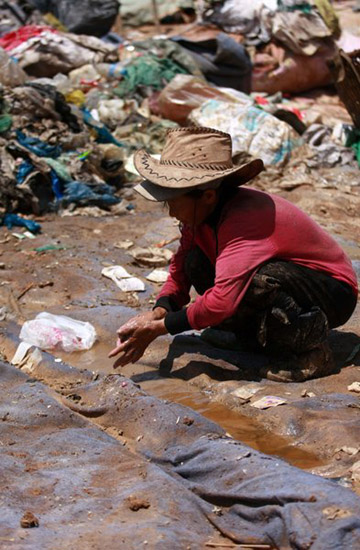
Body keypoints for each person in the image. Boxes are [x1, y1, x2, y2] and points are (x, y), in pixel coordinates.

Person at [109, 127, 358, 382]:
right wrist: (158, 312)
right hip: (292, 279)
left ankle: (312, 353)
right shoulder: (200, 217)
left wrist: (161, 328)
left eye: (172, 201)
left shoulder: (244, 220)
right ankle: (249, 338)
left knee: (260, 281)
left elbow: (222, 302)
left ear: (207, 195)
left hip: (333, 292)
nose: (171, 211)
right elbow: (180, 269)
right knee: (196, 261)